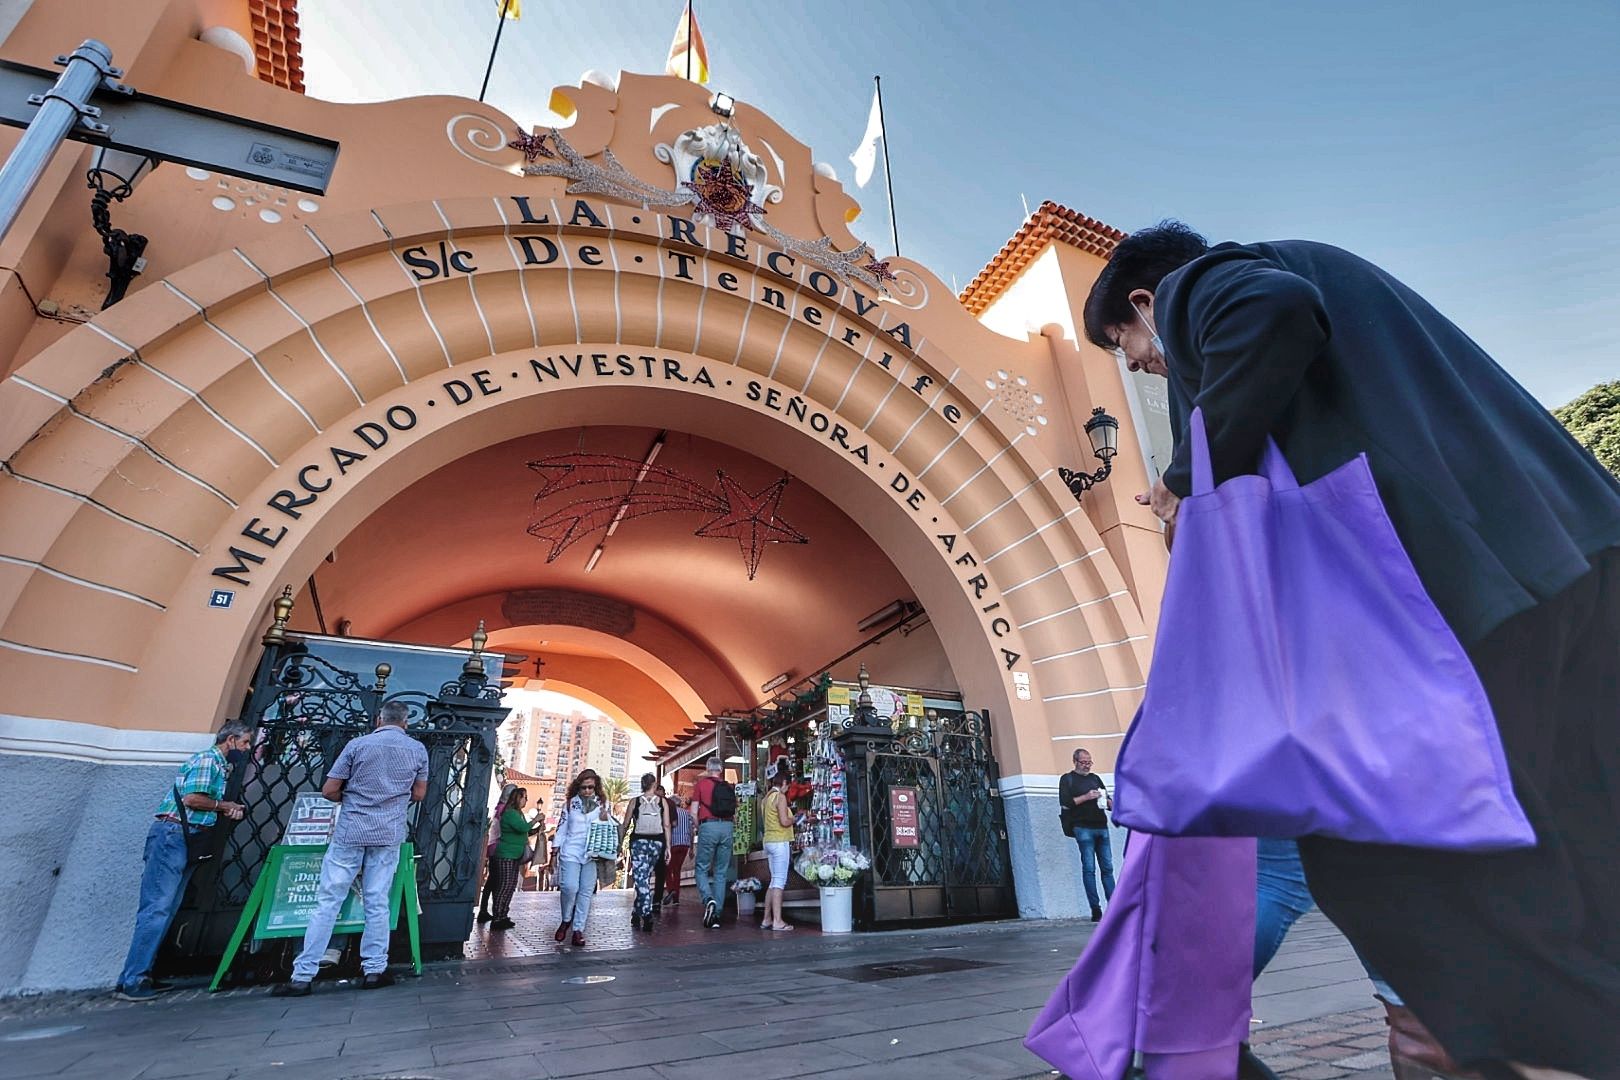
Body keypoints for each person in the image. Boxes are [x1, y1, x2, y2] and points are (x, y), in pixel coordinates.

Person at [1085, 221, 1620, 1077]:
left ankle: (1525, 1045)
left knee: (1380, 851)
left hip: (1456, 589)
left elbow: (1270, 311)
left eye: (1136, 352)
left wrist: (1188, 478)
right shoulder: (1343, 276)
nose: (1151, 368)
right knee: (1573, 836)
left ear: (1146, 301)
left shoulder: (1211, 281)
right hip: (1569, 552)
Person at [272, 700, 428, 996]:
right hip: (388, 833)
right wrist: (391, 798)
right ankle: (374, 969)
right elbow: (419, 793)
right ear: (405, 723)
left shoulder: (358, 745)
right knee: (377, 901)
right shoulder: (417, 750)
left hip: (351, 830)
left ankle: (303, 974)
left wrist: (354, 798)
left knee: (328, 900)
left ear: (378, 720)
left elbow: (330, 790)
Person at [115, 723, 252, 1001]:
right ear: (231, 740)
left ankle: (144, 973)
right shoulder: (208, 761)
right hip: (173, 835)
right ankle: (133, 979)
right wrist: (224, 806)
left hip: (186, 838)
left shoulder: (221, 765)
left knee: (168, 906)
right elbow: (192, 798)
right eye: (246, 742)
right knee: (157, 907)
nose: (247, 749)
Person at [552, 769, 609, 947]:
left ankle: (578, 929)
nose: (587, 791)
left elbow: (608, 828)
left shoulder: (603, 804)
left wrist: (605, 818)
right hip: (571, 850)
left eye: (590, 787)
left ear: (596, 787)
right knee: (569, 886)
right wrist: (554, 850)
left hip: (592, 852)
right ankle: (566, 918)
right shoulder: (570, 804)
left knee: (585, 891)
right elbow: (561, 828)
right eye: (583, 787)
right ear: (578, 787)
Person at [1057, 748, 1114, 921]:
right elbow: (1065, 802)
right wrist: (1087, 796)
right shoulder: (1068, 779)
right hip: (1082, 828)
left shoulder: (1095, 778)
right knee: (1089, 869)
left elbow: (1107, 798)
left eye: (1089, 762)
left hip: (1101, 826)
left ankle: (1113, 907)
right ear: (1075, 761)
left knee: (1108, 868)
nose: (1087, 765)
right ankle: (1095, 909)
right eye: (1083, 762)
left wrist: (1111, 803)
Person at [691, 755, 736, 929]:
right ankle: (716, 915)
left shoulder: (701, 785)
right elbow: (735, 812)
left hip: (708, 827)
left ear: (708, 768)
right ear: (721, 770)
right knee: (721, 872)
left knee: (701, 868)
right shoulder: (728, 787)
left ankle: (708, 899)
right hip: (727, 828)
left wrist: (699, 827)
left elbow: (693, 812)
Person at [622, 773, 671, 931]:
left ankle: (646, 913)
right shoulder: (662, 802)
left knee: (641, 879)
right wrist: (668, 847)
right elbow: (667, 825)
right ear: (654, 785)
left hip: (639, 842)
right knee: (644, 877)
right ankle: (638, 913)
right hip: (656, 843)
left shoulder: (635, 802)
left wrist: (619, 843)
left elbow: (626, 823)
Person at [489, 787, 539, 931]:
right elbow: (522, 828)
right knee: (504, 886)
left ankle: (503, 915)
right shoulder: (510, 813)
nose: (526, 800)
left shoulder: (518, 813)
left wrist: (536, 828)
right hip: (506, 854)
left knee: (511, 886)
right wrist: (535, 819)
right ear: (518, 798)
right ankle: (497, 917)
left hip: (514, 854)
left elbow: (525, 831)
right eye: (524, 797)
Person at [760, 760, 795, 931]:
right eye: (788, 787)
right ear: (785, 783)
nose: (788, 790)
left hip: (768, 841)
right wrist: (796, 818)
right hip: (780, 841)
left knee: (774, 881)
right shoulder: (780, 797)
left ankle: (766, 919)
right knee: (780, 882)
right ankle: (778, 921)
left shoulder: (766, 798)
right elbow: (784, 821)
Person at [478, 782, 519, 924]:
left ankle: (485, 910)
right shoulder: (506, 810)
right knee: (500, 883)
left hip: (493, 846)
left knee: (492, 881)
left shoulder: (499, 808)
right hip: (500, 847)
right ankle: (498, 914)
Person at [665, 794, 695, 907]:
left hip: (673, 844)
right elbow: (692, 831)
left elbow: (667, 827)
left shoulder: (669, 813)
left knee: (667, 870)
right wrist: (691, 848)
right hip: (685, 844)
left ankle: (671, 890)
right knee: (677, 870)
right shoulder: (687, 813)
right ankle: (676, 898)